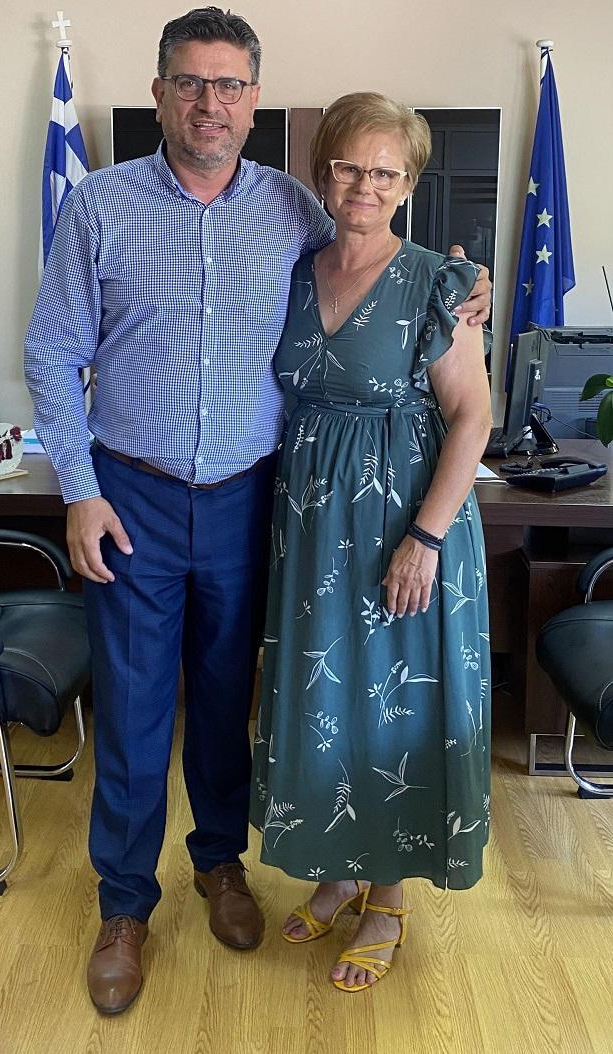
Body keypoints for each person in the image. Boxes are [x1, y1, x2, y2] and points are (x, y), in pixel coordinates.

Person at [25, 8, 492, 1015]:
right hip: (132, 496)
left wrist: (465, 289)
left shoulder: (293, 209)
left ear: (253, 100)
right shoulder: (99, 206)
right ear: (160, 92)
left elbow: (384, 268)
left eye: (230, 84)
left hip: (253, 500)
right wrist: (78, 488)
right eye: (192, 82)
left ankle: (220, 864)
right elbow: (53, 351)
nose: (211, 102)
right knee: (135, 710)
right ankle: (124, 905)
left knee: (231, 701)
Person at [250, 92, 493, 993]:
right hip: (312, 528)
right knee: (326, 696)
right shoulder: (292, 269)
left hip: (403, 522)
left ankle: (387, 896)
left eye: (385, 172)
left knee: (389, 704)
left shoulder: (438, 282)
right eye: (349, 166)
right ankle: (338, 869)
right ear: (323, 173)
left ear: (409, 184)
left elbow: (472, 418)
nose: (364, 185)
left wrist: (425, 538)